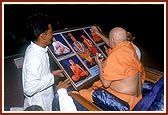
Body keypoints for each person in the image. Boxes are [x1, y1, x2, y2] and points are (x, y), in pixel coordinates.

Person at [79, 27, 145, 110]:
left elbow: (105, 84)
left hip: (125, 101)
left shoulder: (115, 56)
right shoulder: (130, 47)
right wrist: (99, 34)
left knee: (80, 94)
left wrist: (99, 64)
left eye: (110, 39)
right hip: (138, 97)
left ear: (112, 39)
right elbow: (112, 44)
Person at [22, 13, 76, 111]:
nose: (52, 35)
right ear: (43, 36)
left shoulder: (38, 47)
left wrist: (53, 74)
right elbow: (29, 89)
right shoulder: (34, 58)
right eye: (51, 32)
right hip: (39, 104)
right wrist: (51, 76)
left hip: (46, 95)